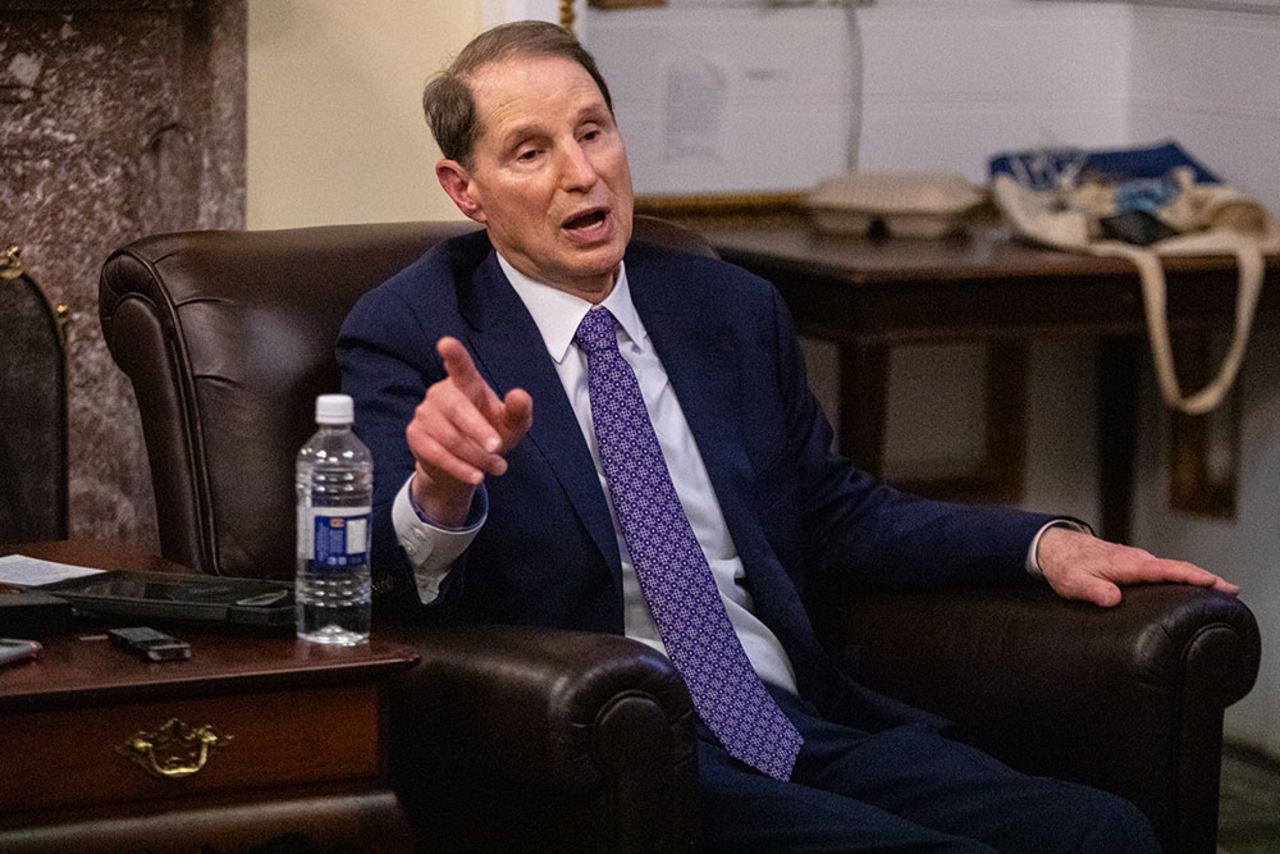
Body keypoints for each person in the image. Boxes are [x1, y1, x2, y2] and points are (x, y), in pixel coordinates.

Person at [338, 20, 1239, 853]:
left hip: (792, 717)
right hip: (627, 741)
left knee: (1099, 831)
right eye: (531, 151)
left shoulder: (723, 306)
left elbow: (838, 512)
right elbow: (375, 574)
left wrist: (1041, 546)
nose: (582, 174)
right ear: (466, 190)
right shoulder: (415, 327)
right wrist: (440, 492)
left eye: (594, 131)